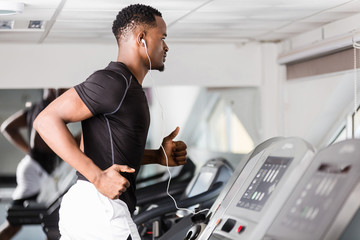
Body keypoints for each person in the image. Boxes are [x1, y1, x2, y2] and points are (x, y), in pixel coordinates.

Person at [33, 4, 187, 240]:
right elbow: (45, 121)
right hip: (101, 210)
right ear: (142, 38)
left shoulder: (128, 87)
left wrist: (157, 156)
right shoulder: (114, 82)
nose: (166, 47)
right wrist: (98, 177)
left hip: (94, 208)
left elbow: (109, 149)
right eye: (162, 37)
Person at [0, 89, 59, 240]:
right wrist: (31, 152)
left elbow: (7, 128)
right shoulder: (48, 109)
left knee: (55, 224)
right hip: (36, 171)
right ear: (53, 89)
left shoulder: (38, 108)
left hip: (35, 168)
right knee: (13, 225)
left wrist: (30, 152)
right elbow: (7, 128)